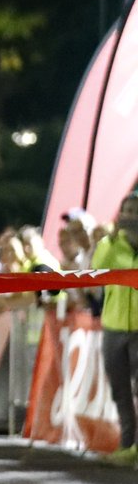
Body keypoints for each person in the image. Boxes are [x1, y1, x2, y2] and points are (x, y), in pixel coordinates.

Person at [91, 191, 138, 467]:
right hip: (114, 327)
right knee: (120, 390)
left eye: (135, 211)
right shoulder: (111, 244)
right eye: (127, 211)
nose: (130, 216)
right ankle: (126, 443)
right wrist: (110, 239)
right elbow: (97, 268)